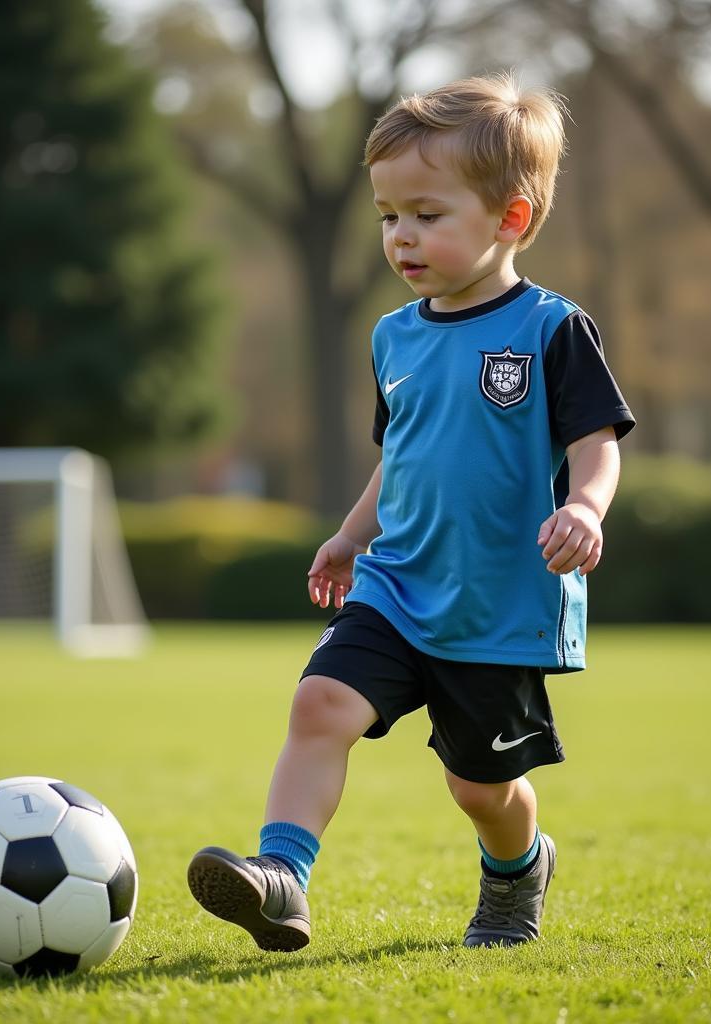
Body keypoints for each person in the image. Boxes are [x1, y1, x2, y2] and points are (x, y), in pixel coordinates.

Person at [187, 73, 635, 952]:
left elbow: (598, 440)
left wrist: (585, 505)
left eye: (427, 215)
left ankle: (517, 869)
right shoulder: (393, 336)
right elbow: (402, 458)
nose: (402, 236)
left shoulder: (552, 329)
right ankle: (283, 879)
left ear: (510, 218)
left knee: (480, 790)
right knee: (319, 704)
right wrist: (354, 536)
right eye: (389, 216)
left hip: (498, 604)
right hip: (395, 584)